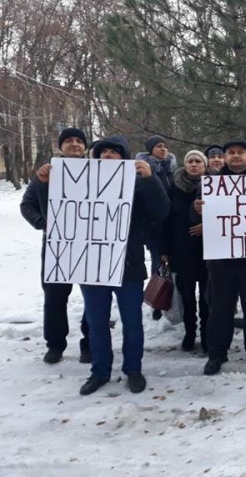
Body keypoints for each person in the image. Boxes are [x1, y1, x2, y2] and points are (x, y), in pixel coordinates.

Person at [78, 135, 169, 395]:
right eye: (103, 151)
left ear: (124, 157)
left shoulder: (137, 184)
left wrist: (150, 180)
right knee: (96, 323)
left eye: (114, 152)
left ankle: (133, 369)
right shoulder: (80, 182)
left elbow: (161, 211)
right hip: (91, 265)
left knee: (132, 322)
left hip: (127, 265)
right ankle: (99, 371)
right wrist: (43, 184)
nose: (107, 155)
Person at [20, 127, 91, 364]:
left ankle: (90, 343)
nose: (74, 144)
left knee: (93, 297)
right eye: (69, 141)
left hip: (92, 245)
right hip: (56, 245)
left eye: (79, 141)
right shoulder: (47, 172)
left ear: (85, 147)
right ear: (60, 147)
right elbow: (27, 205)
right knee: (54, 298)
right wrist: (42, 222)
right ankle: (55, 345)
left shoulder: (98, 172)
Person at [201, 140, 246, 375]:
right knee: (220, 309)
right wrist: (196, 210)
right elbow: (195, 216)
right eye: (231, 153)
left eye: (240, 152)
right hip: (221, 260)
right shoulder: (211, 184)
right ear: (225, 157)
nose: (236, 156)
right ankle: (217, 354)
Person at [161, 150, 209, 353]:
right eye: (190, 161)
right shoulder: (173, 188)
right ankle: (190, 333)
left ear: (205, 166)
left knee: (207, 297)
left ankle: (207, 335)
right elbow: (166, 220)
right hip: (182, 251)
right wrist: (164, 250)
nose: (194, 164)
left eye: (198, 161)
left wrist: (206, 226)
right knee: (187, 297)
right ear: (185, 164)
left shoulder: (216, 187)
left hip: (208, 251)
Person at [136, 135, 176, 276]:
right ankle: (158, 294)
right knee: (159, 262)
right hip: (155, 226)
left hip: (173, 224)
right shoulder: (142, 171)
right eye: (159, 146)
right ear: (150, 149)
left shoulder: (172, 170)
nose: (163, 149)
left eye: (165, 146)